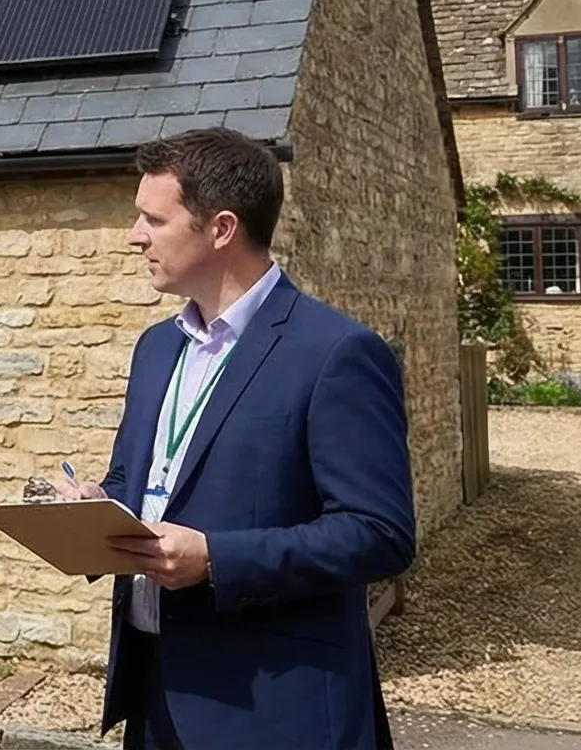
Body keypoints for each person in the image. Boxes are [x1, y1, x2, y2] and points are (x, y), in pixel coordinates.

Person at [48, 128, 415, 750]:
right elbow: (136, 482)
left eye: (153, 219)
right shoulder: (156, 348)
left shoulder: (336, 352)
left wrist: (217, 558)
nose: (135, 236)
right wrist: (96, 505)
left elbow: (379, 533)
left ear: (221, 229)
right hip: (154, 696)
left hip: (274, 709)